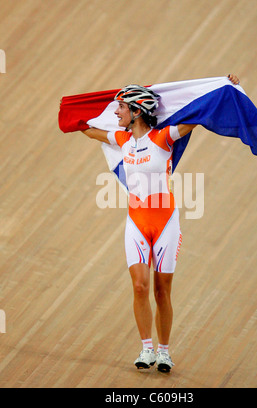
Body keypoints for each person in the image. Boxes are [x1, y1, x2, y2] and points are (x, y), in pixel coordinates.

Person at [80, 74, 240, 372]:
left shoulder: (163, 137)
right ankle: (146, 349)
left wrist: (224, 87)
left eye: (120, 107)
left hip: (165, 222)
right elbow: (89, 130)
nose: (116, 112)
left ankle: (165, 352)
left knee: (160, 290)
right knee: (139, 287)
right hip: (136, 221)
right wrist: (73, 114)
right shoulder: (121, 139)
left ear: (136, 110)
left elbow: (201, 115)